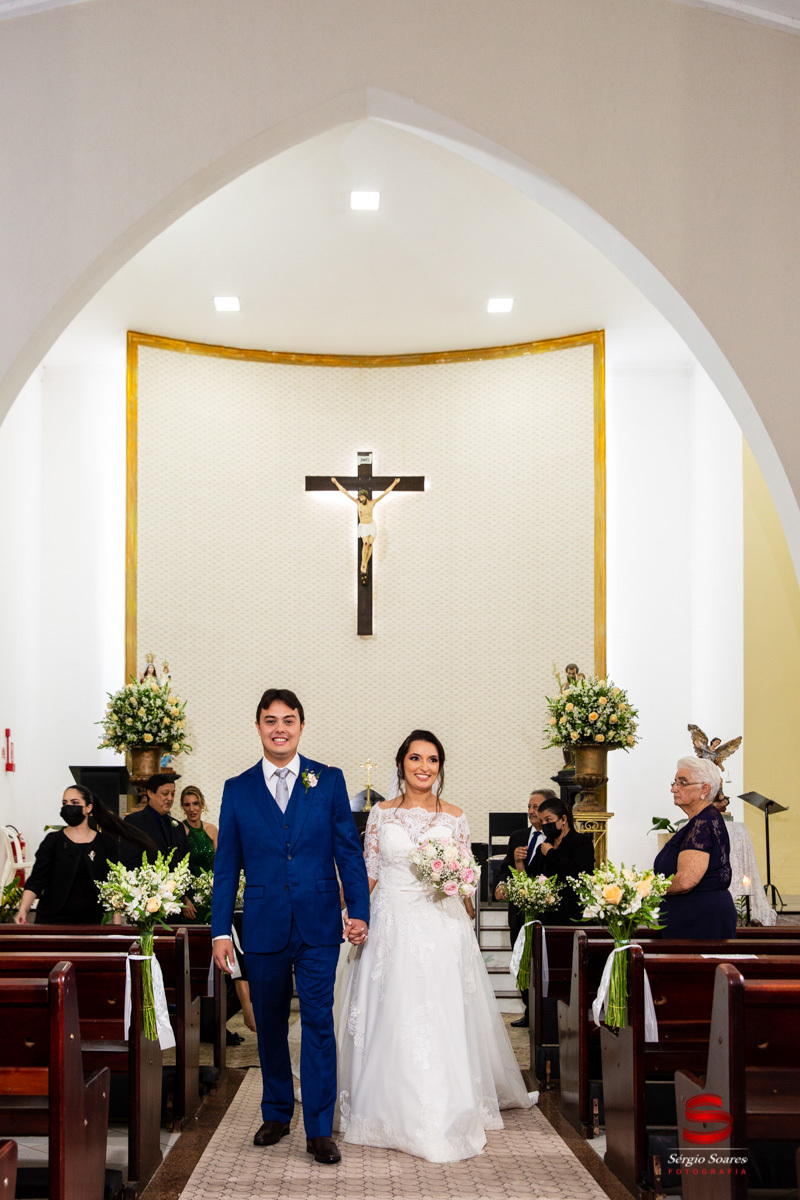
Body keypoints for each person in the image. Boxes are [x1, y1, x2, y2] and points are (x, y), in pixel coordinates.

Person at [337, 730, 534, 1164]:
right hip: (391, 922)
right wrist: (351, 913)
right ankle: (385, 1105)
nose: (424, 767)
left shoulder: (456, 816)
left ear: (440, 766)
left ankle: (447, 1104)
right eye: (415, 758)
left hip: (440, 924)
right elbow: (369, 871)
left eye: (432, 760)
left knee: (439, 1011)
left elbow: (465, 878)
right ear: (401, 764)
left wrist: (463, 894)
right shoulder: (381, 815)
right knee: (393, 1008)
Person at [211, 688, 370, 1166]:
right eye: (270, 720)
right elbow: (226, 866)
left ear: (301, 726)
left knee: (319, 1024)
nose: (279, 729)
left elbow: (348, 851)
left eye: (288, 720)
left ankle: (319, 1128)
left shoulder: (328, 779)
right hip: (263, 924)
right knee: (270, 1024)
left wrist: (359, 910)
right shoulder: (237, 789)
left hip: (319, 923)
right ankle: (277, 1112)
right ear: (258, 726)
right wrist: (220, 930)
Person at [15, 784, 155, 924]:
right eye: (65, 803)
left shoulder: (105, 842)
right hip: (52, 919)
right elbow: (36, 881)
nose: (69, 807)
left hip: (92, 920)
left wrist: (117, 924)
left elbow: (114, 885)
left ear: (88, 808)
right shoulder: (53, 841)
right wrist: (23, 910)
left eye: (75, 803)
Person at [653, 756, 737, 939]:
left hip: (699, 920)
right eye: (675, 782)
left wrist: (649, 889)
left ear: (704, 789)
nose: (674, 789)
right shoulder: (704, 819)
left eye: (682, 783)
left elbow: (686, 881)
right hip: (695, 915)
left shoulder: (703, 823)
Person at [494, 788, 554, 1028]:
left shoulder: (555, 839)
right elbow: (505, 867)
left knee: (542, 963)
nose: (531, 811)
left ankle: (544, 1013)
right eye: (529, 806)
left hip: (544, 914)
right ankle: (529, 1010)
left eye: (536, 807)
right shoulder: (518, 836)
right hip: (518, 913)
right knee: (521, 961)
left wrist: (522, 865)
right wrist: (501, 884)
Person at [126, 773, 195, 918]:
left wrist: (182, 894)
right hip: (146, 905)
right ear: (150, 793)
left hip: (175, 905)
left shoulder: (177, 827)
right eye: (165, 794)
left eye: (173, 794)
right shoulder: (134, 822)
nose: (170, 798)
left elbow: (186, 863)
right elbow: (130, 861)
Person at [526, 795, 595, 924]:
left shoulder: (581, 842)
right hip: (547, 914)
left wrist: (551, 853)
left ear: (563, 819)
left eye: (548, 819)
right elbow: (532, 874)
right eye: (542, 821)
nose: (545, 824)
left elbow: (579, 872)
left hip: (573, 912)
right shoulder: (545, 845)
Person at [330, 476, 400, 581]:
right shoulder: (358, 503)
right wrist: (336, 483)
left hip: (371, 525)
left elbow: (385, 493)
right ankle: (363, 564)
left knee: (370, 544)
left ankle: (365, 563)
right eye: (359, 497)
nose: (360, 498)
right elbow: (345, 492)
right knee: (365, 544)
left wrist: (394, 483)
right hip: (363, 526)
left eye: (362, 496)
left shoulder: (372, 502)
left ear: (366, 496)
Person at [180, 785, 217, 871]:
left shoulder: (212, 829)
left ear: (202, 803)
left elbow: (220, 861)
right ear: (183, 807)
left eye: (195, 803)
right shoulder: (180, 829)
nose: (191, 809)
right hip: (187, 878)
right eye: (187, 805)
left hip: (211, 878)